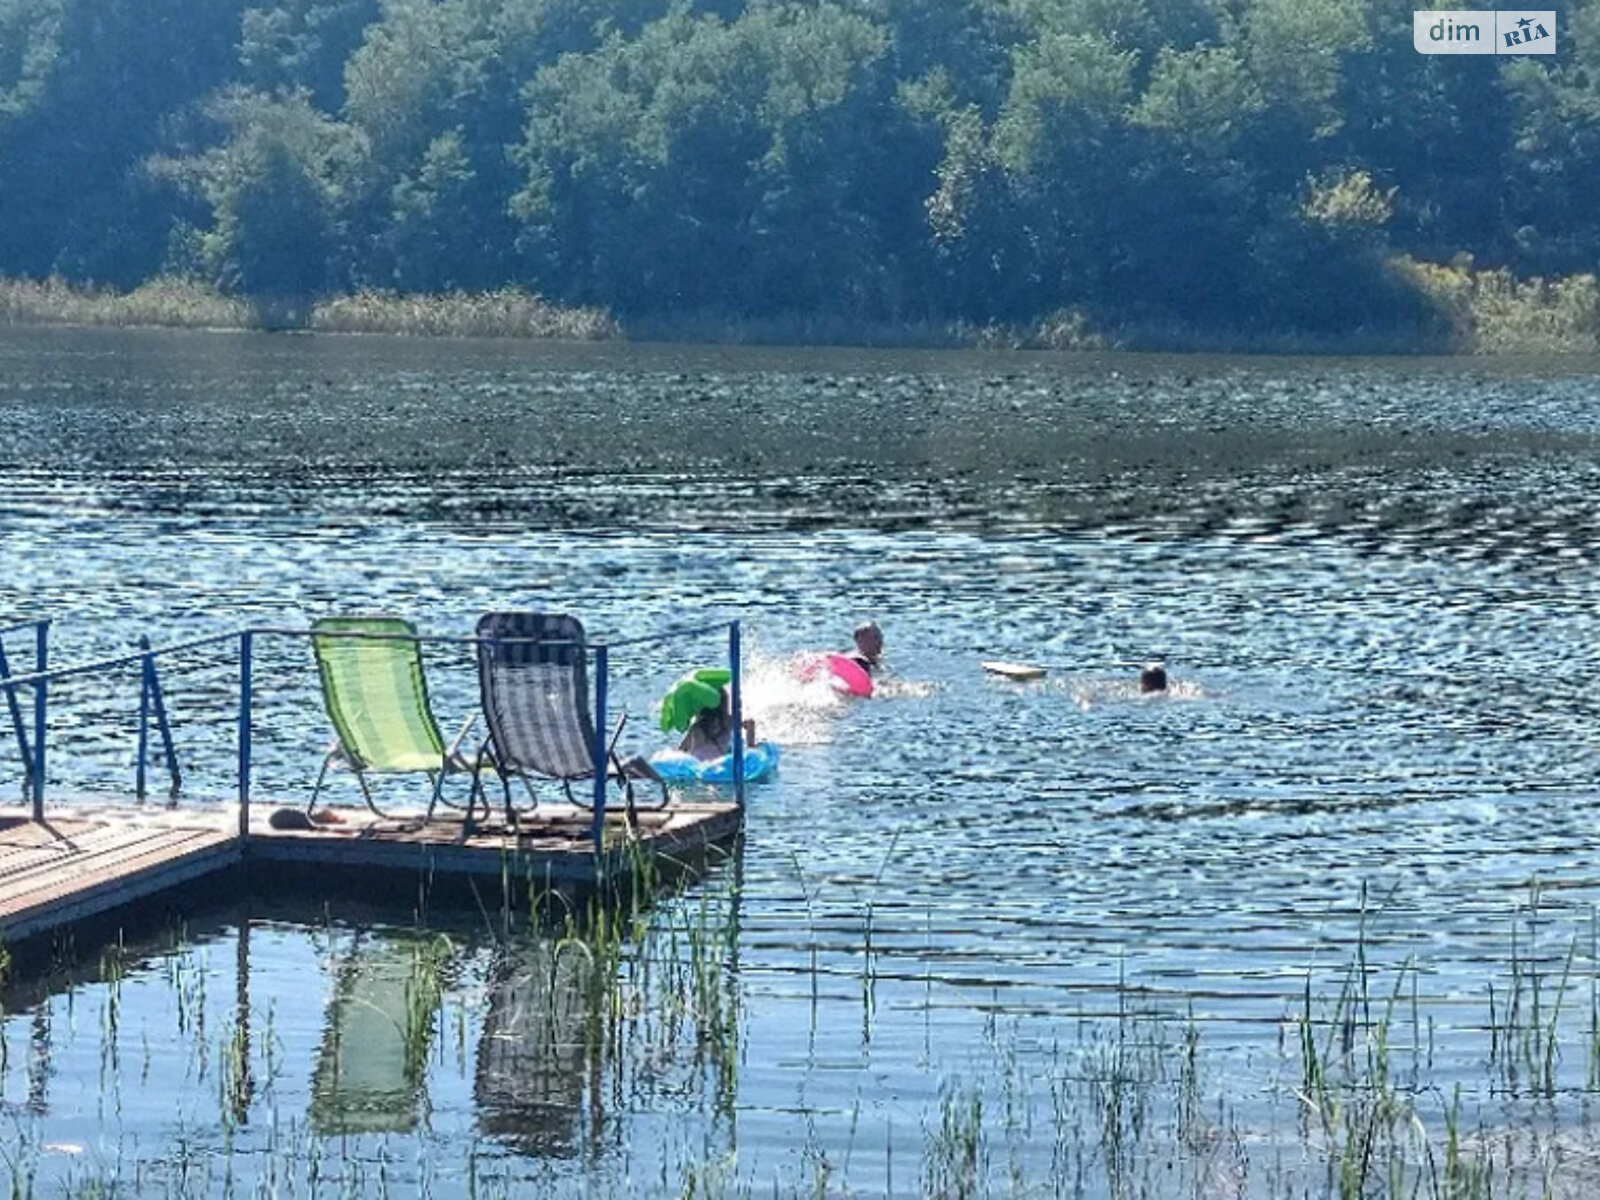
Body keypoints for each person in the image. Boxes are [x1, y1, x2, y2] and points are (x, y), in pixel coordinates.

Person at [680, 686, 759, 761]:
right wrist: (751, 747)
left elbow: (681, 750)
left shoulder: (696, 727)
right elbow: (750, 723)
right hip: (719, 764)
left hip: (698, 765)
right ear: (724, 703)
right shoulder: (728, 721)